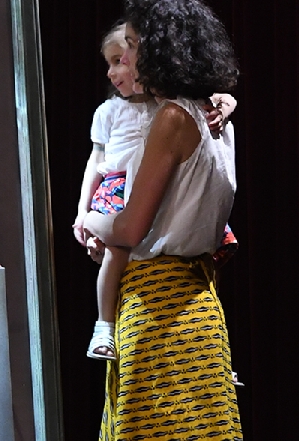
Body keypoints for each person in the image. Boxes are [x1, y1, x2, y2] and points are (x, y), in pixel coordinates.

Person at [83, 0, 242, 439]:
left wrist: (91, 221)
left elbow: (131, 227)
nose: (127, 60)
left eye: (132, 46)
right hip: (200, 305)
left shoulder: (173, 118)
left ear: (160, 48)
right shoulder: (215, 116)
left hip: (157, 303)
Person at [73, 22, 238, 360]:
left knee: (216, 250)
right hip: (122, 193)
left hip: (172, 266)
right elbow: (97, 160)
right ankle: (103, 326)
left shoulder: (171, 110)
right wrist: (84, 213)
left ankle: (219, 346)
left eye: (124, 57)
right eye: (113, 61)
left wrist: (225, 105)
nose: (114, 70)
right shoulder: (112, 111)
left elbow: (223, 96)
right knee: (117, 250)